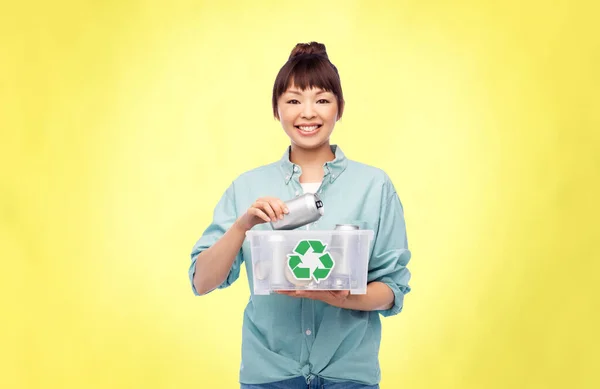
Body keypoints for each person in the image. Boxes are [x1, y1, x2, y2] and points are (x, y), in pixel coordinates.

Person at [189, 42, 412, 389]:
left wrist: (335, 296)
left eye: (322, 99)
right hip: (270, 376)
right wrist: (243, 226)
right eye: (293, 100)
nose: (307, 113)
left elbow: (391, 290)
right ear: (276, 110)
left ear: (339, 108)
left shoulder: (374, 186)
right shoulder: (247, 188)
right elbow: (202, 282)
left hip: (348, 377)